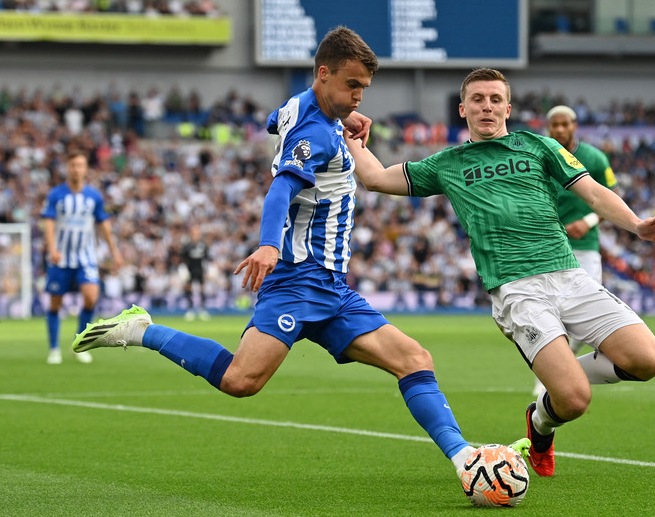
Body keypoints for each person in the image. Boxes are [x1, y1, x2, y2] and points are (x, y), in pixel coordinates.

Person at [71, 26, 487, 490]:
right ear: (324, 74)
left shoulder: (301, 109)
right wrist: (269, 243)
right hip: (296, 281)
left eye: (363, 89)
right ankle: (141, 329)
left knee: (414, 359)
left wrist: (340, 119)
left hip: (332, 288)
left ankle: (465, 458)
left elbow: (276, 120)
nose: (358, 97)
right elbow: (282, 188)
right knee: (240, 381)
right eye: (352, 86)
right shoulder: (317, 132)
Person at [344, 68, 655, 477]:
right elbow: (375, 178)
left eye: (495, 99)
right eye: (478, 99)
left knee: (648, 360)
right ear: (463, 109)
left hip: (569, 275)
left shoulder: (539, 146)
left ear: (508, 108)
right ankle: (541, 424)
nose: (487, 106)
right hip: (518, 290)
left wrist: (637, 224)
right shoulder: (448, 163)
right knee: (572, 400)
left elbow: (592, 192)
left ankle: (553, 392)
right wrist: (353, 141)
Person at [530, 105, 620, 397]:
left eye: (564, 124)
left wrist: (589, 219)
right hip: (549, 245)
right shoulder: (541, 157)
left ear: (574, 125)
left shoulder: (594, 157)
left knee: (585, 316)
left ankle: (556, 373)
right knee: (549, 313)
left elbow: (611, 199)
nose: (558, 130)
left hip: (585, 246)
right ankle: (553, 374)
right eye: (553, 125)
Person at [42, 149, 123, 365]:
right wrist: (52, 249)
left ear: (86, 169)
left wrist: (114, 251)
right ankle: (53, 348)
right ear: (67, 168)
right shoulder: (56, 195)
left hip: (85, 258)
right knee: (55, 304)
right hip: (61, 258)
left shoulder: (93, 196)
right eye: (73, 165)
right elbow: (48, 222)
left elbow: (103, 224)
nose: (76, 169)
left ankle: (79, 346)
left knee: (91, 297)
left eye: (80, 165)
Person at [181, 225, 210, 321]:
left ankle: (202, 309)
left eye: (198, 234)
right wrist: (183, 270)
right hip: (190, 270)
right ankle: (190, 310)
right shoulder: (187, 246)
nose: (196, 235)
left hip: (200, 269)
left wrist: (206, 271)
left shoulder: (203, 245)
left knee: (202, 289)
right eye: (195, 234)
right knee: (189, 289)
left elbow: (206, 259)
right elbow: (183, 258)